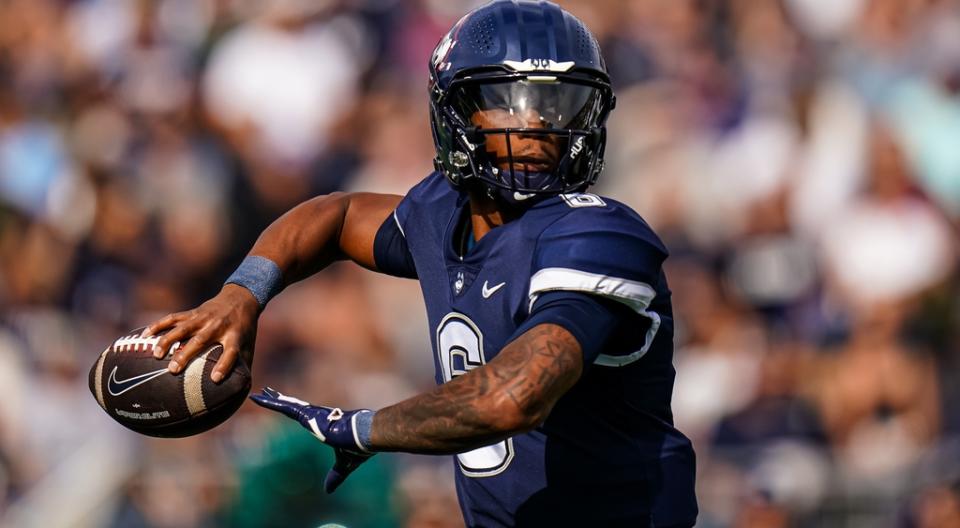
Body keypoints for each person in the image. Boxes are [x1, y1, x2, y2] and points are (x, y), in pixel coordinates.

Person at [144, 1, 698, 526]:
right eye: (510, 98)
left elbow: (513, 397)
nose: (536, 125)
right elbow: (335, 217)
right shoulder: (442, 213)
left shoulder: (598, 233)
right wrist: (242, 293)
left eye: (557, 103)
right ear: (455, 110)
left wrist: (363, 428)